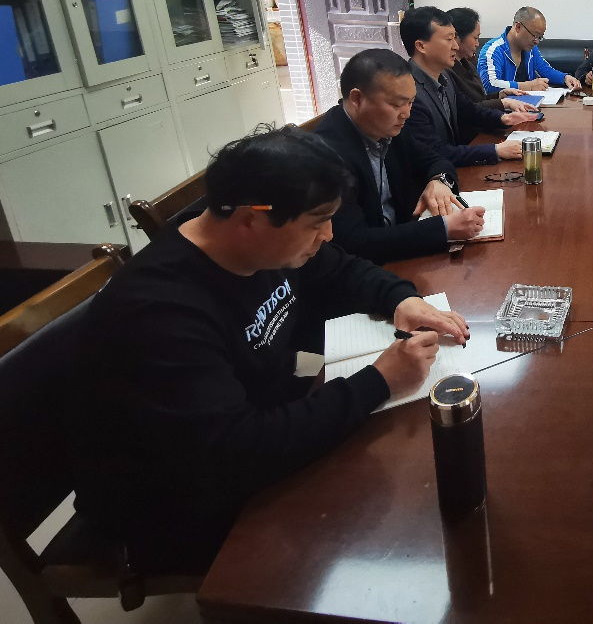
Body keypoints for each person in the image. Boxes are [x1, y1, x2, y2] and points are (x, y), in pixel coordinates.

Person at [68, 126, 470, 574]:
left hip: (268, 405)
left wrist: (401, 300)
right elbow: (240, 453)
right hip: (174, 502)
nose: (328, 235)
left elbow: (340, 270)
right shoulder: (158, 314)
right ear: (249, 220)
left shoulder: (257, 240)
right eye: (317, 223)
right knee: (404, 531)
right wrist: (379, 381)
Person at [313, 49, 485, 264]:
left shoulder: (386, 127)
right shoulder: (325, 155)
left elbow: (435, 159)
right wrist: (443, 229)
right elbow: (353, 242)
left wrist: (438, 181)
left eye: (410, 102)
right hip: (371, 266)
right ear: (357, 98)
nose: (406, 114)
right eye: (396, 104)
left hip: (403, 249)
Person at [401, 6, 539, 167]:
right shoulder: (409, 93)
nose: (455, 46)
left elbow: (468, 110)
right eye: (449, 39)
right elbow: (435, 152)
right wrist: (495, 150)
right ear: (421, 46)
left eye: (455, 38)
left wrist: (503, 118)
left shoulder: (444, 76)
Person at [447, 7, 536, 128]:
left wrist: (500, 94)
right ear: (457, 37)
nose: (477, 44)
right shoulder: (447, 72)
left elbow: (478, 99)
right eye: (475, 38)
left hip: (485, 123)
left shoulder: (468, 64)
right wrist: (503, 103)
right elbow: (467, 110)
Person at [478, 6, 581, 93]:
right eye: (535, 36)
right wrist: (527, 86)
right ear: (518, 27)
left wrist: (565, 78)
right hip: (502, 108)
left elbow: (545, 69)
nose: (537, 41)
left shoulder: (531, 49)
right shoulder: (493, 50)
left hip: (528, 105)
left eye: (540, 37)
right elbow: (490, 85)